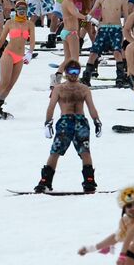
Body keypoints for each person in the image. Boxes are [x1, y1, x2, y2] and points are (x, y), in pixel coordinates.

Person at [37, 60, 102, 193]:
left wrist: (97, 121)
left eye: (76, 72)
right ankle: (45, 182)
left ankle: (89, 181)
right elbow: (51, 107)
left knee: (85, 151)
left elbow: (91, 107)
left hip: (81, 122)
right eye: (71, 71)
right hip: (65, 122)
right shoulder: (59, 88)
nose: (74, 74)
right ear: (66, 72)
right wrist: (48, 123)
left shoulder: (84, 88)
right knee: (55, 151)